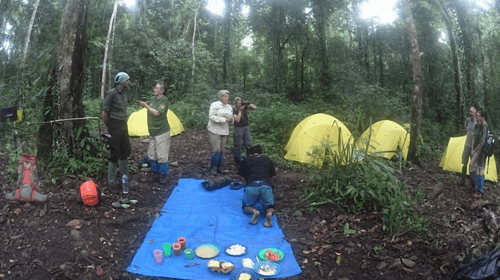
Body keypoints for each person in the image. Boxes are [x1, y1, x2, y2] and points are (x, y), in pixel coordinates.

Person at [102, 72, 131, 194]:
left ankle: (124, 177)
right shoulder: (112, 93)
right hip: (114, 124)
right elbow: (105, 112)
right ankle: (112, 181)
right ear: (121, 81)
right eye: (127, 80)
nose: (129, 82)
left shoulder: (124, 93)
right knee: (114, 151)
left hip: (123, 124)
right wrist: (108, 126)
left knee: (125, 150)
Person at [237, 145, 277, 227]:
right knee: (270, 206)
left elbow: (242, 177)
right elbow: (272, 176)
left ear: (250, 154)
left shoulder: (246, 160)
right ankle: (269, 213)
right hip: (266, 185)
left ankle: (255, 211)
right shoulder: (267, 159)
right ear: (260, 153)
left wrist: (246, 187)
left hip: (252, 185)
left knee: (246, 206)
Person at [139, 82, 170, 185]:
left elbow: (157, 113)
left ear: (162, 91)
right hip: (152, 131)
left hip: (161, 131)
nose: (154, 89)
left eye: (156, 88)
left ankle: (164, 174)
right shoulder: (153, 100)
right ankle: (155, 172)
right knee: (152, 154)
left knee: (161, 154)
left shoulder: (164, 100)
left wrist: (146, 106)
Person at [207, 90, 234, 174]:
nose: (227, 98)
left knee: (222, 150)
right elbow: (211, 117)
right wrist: (224, 119)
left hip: (224, 130)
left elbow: (231, 118)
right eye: (225, 96)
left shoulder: (229, 107)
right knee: (216, 149)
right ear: (221, 97)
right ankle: (213, 167)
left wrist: (231, 120)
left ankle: (220, 167)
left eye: (228, 96)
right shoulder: (215, 105)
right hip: (214, 129)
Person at [232, 97, 257, 169]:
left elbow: (255, 108)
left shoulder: (244, 107)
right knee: (238, 145)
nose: (240, 104)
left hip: (246, 127)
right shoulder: (233, 110)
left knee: (248, 144)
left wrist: (248, 104)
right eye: (239, 103)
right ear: (235, 104)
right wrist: (240, 111)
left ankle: (249, 160)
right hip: (238, 128)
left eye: (241, 102)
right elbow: (237, 120)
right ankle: (238, 163)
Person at [469, 110, 488, 198]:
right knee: (474, 166)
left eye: (479, 116)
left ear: (483, 117)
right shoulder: (479, 125)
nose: (478, 118)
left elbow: (482, 141)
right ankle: (476, 187)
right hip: (477, 150)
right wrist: (473, 149)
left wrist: (475, 150)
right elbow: (475, 138)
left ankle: (479, 191)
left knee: (480, 169)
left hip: (481, 151)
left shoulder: (484, 126)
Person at [461, 106, 477, 187]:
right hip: (467, 145)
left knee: (472, 165)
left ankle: (472, 183)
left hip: (473, 147)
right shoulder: (467, 120)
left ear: (475, 113)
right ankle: (462, 181)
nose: (470, 113)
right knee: (464, 163)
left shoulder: (477, 122)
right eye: (469, 112)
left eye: (472, 112)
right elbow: (465, 128)